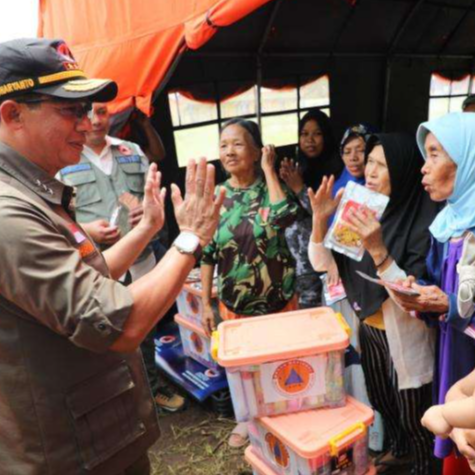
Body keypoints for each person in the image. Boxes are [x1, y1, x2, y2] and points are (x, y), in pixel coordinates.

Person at [0, 38, 224, 475]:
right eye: (70, 110)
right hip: (68, 451)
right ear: (13, 115)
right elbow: (119, 322)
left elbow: (91, 272)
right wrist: (191, 238)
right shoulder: (10, 213)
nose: (87, 123)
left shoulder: (32, 190)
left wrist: (147, 229)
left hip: (92, 430)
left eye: (88, 109)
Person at [308, 133, 439, 475]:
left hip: (407, 332)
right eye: (369, 162)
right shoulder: (362, 208)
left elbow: (413, 296)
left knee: (414, 411)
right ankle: (399, 452)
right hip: (369, 325)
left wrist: (377, 247)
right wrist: (320, 222)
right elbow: (323, 263)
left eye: (382, 164)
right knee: (381, 398)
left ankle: (424, 466)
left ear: (403, 170)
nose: (370, 171)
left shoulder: (423, 220)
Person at [57, 102, 184, 413]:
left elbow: (150, 196)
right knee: (101, 327)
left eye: (102, 112)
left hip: (141, 256)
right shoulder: (62, 157)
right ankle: (114, 396)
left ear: (111, 114)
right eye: (87, 113)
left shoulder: (132, 152)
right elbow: (53, 216)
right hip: (95, 263)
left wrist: (146, 211)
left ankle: (150, 387)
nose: (95, 120)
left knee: (145, 325)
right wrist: (87, 230)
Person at [200, 118, 300, 447]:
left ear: (257, 152)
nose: (229, 151)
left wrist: (270, 171)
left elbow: (285, 215)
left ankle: (283, 421)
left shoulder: (272, 189)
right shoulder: (216, 196)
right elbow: (207, 253)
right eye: (223, 145)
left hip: (278, 301)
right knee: (243, 370)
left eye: (238, 144)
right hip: (235, 304)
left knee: (280, 363)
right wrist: (205, 303)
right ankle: (247, 421)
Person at [391, 112, 475, 475]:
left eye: (435, 154)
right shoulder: (448, 224)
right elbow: (438, 286)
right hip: (453, 352)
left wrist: (450, 306)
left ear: (468, 159)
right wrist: (419, 295)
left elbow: (456, 303)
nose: (424, 168)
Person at [279, 109, 342, 308]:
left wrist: (299, 188)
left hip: (322, 263)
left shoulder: (337, 170)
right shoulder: (300, 167)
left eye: (317, 134)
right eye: (304, 134)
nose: (310, 140)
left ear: (327, 136)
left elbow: (326, 215)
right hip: (296, 263)